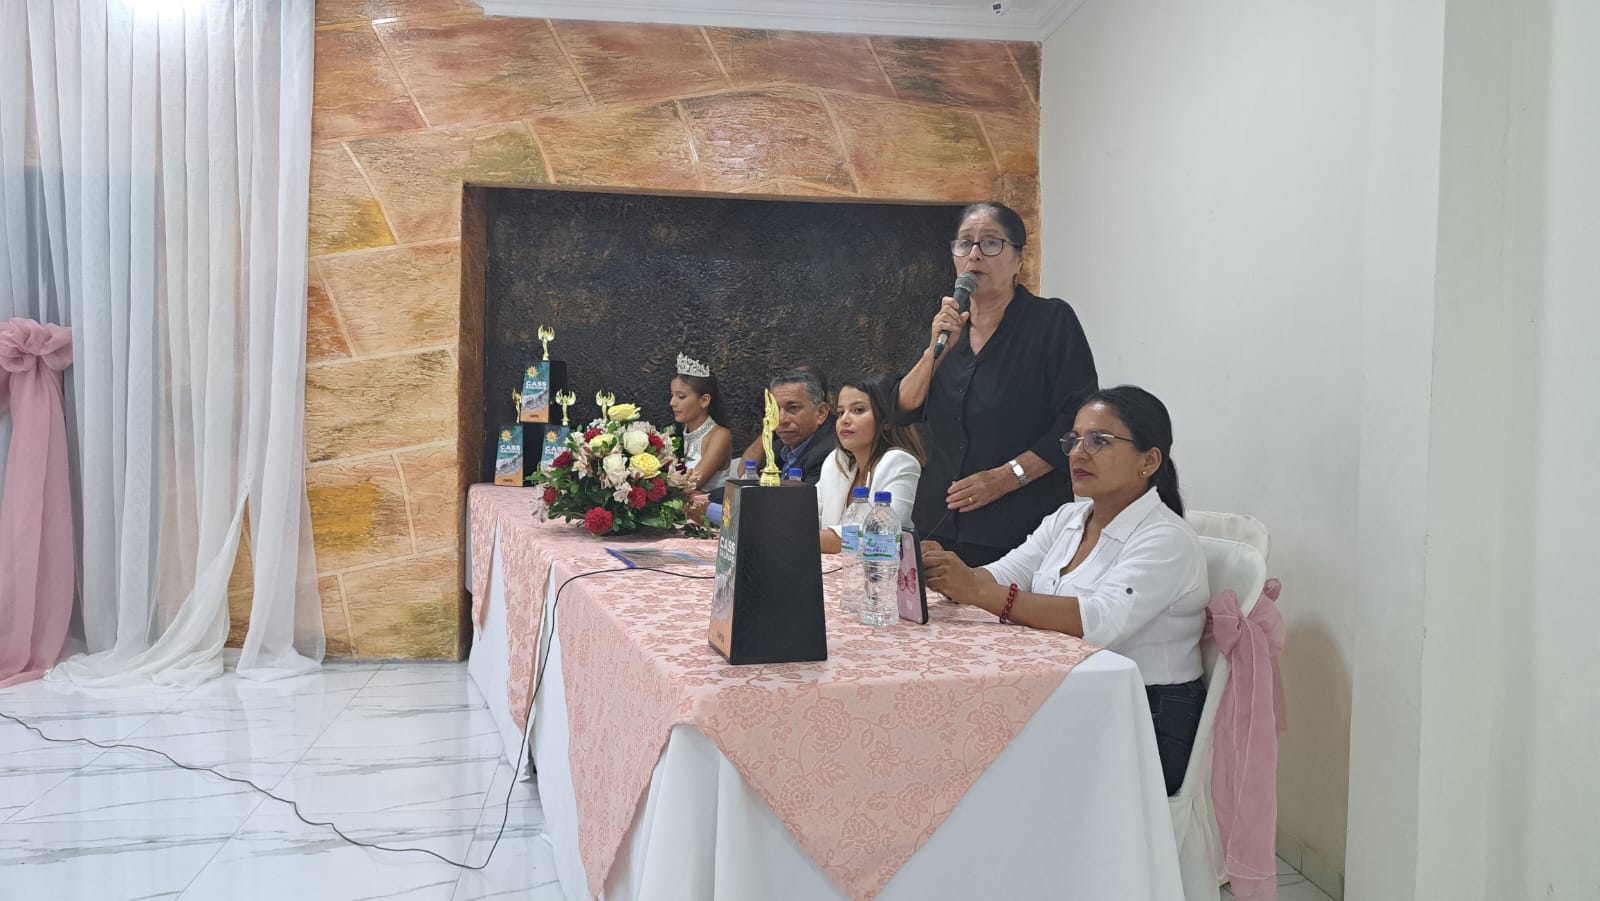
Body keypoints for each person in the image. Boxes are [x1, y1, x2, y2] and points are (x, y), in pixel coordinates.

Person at [921, 386, 1209, 795]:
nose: (1078, 453)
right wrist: (950, 575)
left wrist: (978, 592)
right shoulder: (1068, 518)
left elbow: (1100, 623)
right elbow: (1006, 573)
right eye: (1073, 440)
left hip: (1147, 716)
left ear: (1149, 461)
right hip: (1072, 692)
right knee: (954, 746)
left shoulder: (1165, 538)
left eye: (1098, 441)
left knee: (992, 775)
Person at [897, 202, 1098, 567]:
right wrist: (934, 352)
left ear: (1019, 260)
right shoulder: (946, 328)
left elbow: (1076, 421)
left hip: (1020, 528)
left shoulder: (1051, 321)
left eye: (990, 243)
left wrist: (1008, 477)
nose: (974, 254)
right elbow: (903, 408)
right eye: (964, 243)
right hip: (937, 524)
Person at [815, 374, 923, 553]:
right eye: (840, 412)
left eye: (858, 410)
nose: (844, 420)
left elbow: (880, 535)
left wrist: (798, 538)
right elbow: (809, 516)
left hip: (882, 569)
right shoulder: (836, 462)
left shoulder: (899, 462)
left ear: (886, 421)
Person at [737, 368, 836, 485]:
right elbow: (745, 478)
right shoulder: (778, 447)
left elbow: (806, 495)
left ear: (820, 413)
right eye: (775, 410)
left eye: (793, 408)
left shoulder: (829, 454)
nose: (781, 419)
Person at [669, 353, 731, 494]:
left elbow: (690, 486)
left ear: (704, 400)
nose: (672, 403)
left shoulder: (719, 436)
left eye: (681, 396)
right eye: (672, 395)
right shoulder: (674, 432)